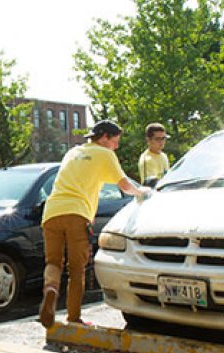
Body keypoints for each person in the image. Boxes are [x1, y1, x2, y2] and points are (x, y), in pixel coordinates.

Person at [39, 119, 150, 329]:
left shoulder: (72, 153)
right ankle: (74, 317)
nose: (116, 146)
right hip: (77, 213)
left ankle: (51, 289)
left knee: (53, 263)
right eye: (115, 141)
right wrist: (142, 192)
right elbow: (125, 185)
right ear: (104, 138)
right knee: (77, 269)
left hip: (51, 212)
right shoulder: (105, 153)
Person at [138, 122, 170, 187]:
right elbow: (150, 187)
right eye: (158, 139)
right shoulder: (147, 160)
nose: (161, 142)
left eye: (163, 138)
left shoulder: (163, 156)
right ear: (148, 140)